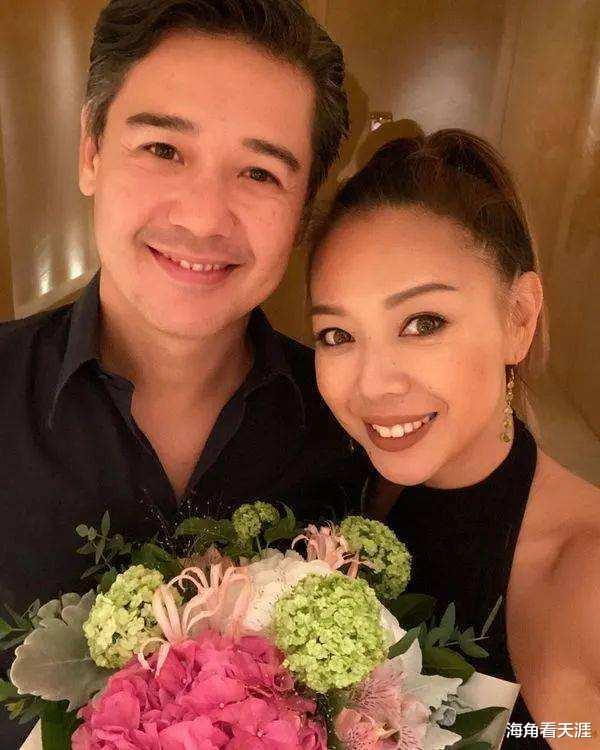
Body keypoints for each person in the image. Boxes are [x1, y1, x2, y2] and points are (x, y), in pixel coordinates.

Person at [0, 1, 371, 742]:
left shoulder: (359, 424)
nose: (203, 218)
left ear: (303, 210)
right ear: (91, 150)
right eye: (163, 149)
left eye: (260, 172)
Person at [308, 129, 600, 746]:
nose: (373, 385)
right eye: (337, 335)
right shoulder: (329, 495)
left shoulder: (586, 576)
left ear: (518, 318)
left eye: (423, 323)